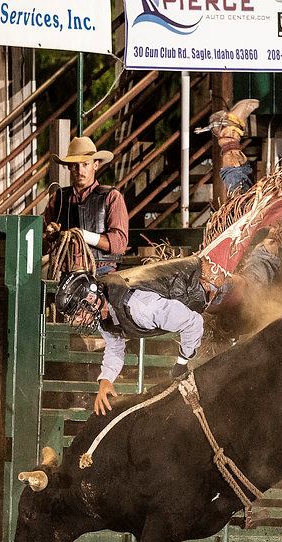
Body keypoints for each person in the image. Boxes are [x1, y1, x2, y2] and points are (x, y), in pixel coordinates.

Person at [54, 270, 204, 416]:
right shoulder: (103, 313)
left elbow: (193, 323)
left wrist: (182, 362)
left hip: (200, 297)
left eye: (79, 313)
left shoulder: (141, 308)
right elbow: (114, 345)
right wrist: (106, 379)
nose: (78, 320)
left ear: (92, 298)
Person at [43, 137, 128, 276]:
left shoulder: (111, 197)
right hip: (67, 274)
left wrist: (84, 236)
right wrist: (51, 236)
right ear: (69, 167)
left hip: (102, 273)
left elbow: (119, 243)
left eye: (85, 164)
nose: (79, 170)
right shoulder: (57, 198)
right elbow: (43, 244)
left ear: (96, 165)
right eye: (75, 165)